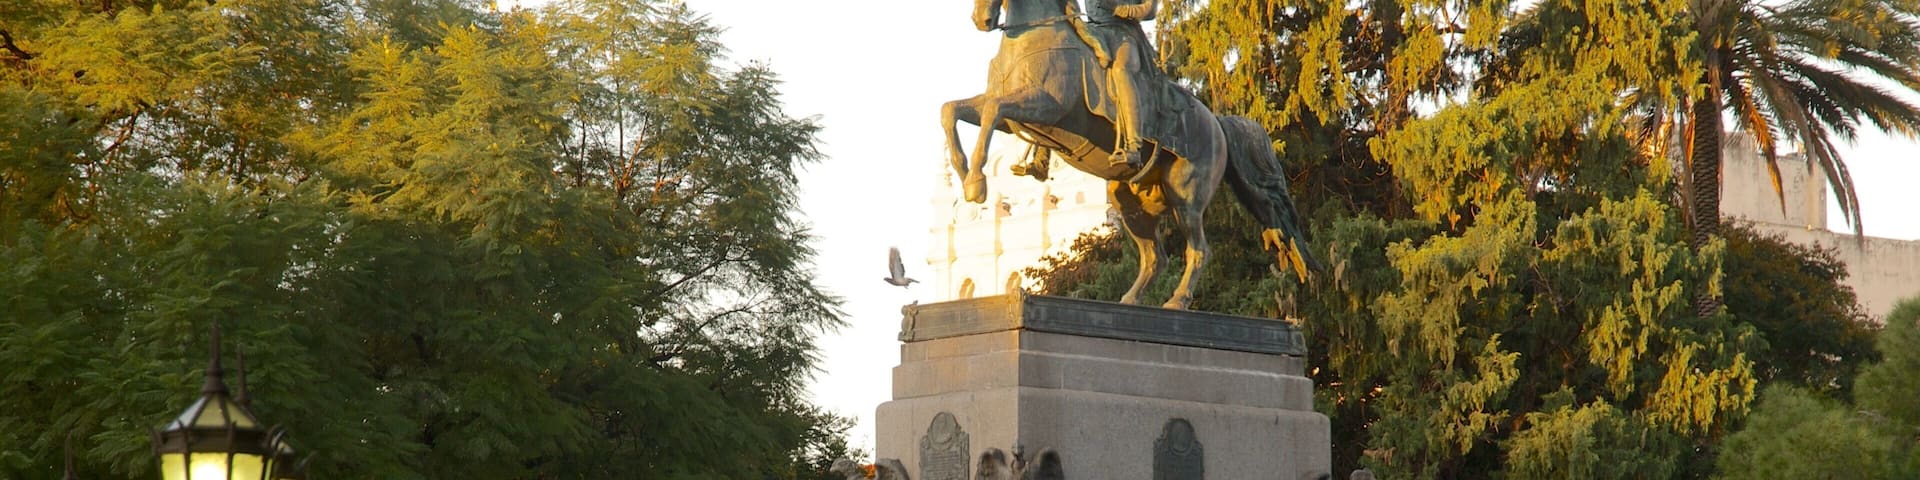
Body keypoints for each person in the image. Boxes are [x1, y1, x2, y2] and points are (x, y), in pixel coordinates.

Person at [1071, 0, 1162, 169]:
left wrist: (1125, 9)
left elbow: (1150, 9)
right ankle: (1042, 156)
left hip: (1124, 34)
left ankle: (1134, 147)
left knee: (1121, 70)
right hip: (1093, 32)